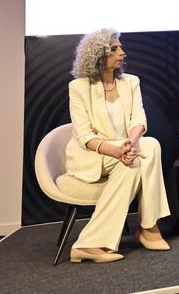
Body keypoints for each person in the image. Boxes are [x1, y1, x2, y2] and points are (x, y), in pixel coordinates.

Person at [65, 29, 171, 263]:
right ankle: (148, 228)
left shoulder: (130, 82)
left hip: (125, 151)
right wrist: (116, 150)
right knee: (139, 156)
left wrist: (128, 145)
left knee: (149, 146)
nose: (122, 52)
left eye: (120, 47)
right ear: (98, 55)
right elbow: (84, 135)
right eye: (114, 49)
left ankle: (89, 243)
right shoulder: (79, 87)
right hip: (92, 155)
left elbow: (139, 120)